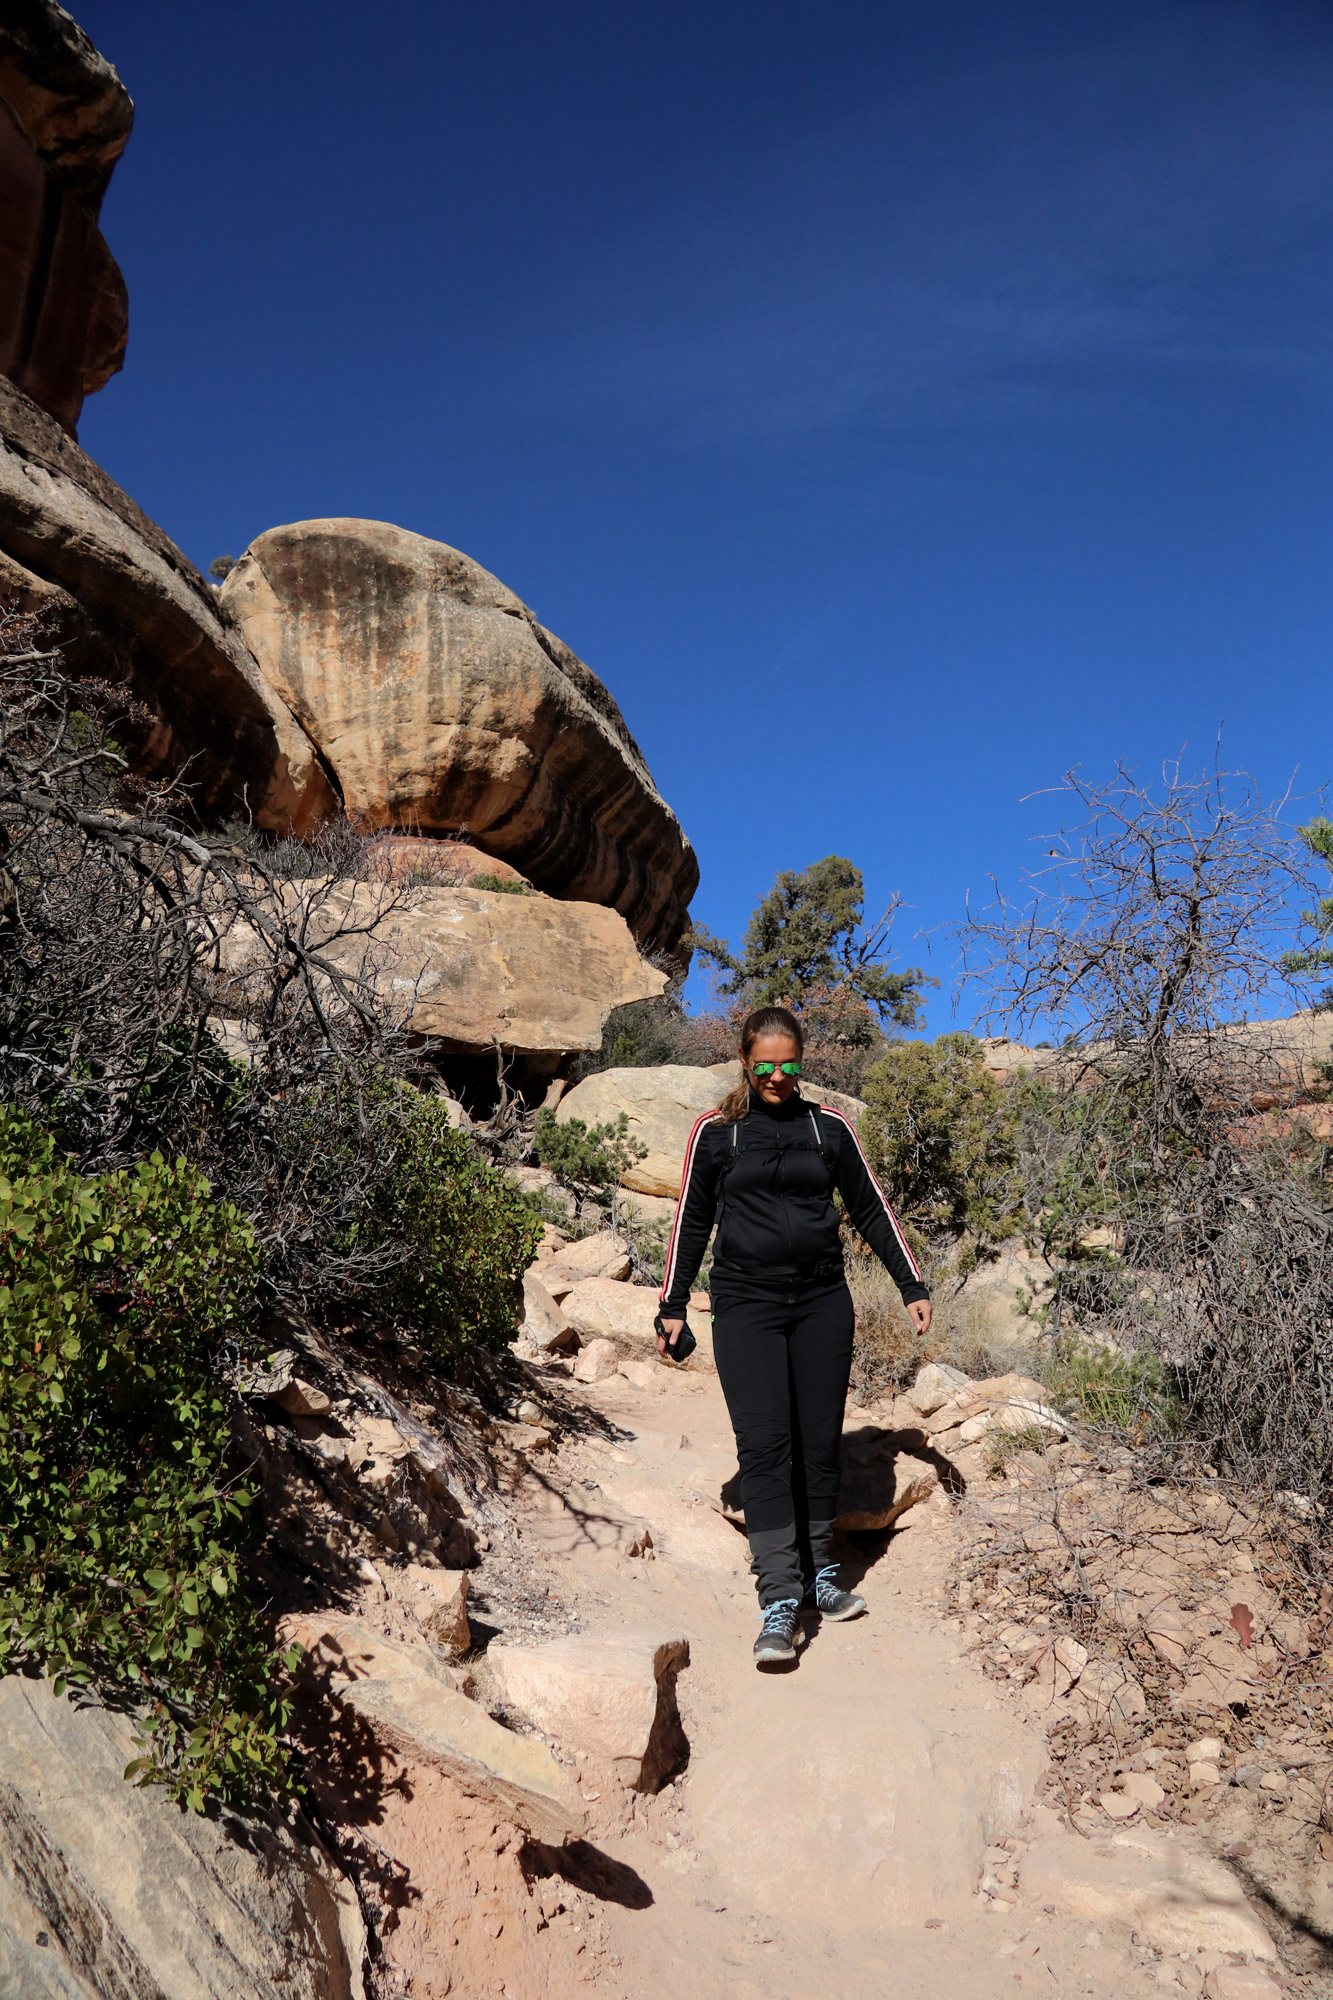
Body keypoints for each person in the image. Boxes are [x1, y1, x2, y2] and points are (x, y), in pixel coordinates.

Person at [656, 1005, 931, 1667]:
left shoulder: (826, 1127)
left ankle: (819, 1576)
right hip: (746, 1301)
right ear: (744, 1062)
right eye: (764, 1066)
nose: (777, 1077)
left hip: (819, 1301)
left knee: (814, 1441)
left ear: (800, 1062)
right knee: (764, 1443)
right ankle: (779, 1597)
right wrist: (671, 1302)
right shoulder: (717, 1132)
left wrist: (911, 1284)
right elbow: (690, 1220)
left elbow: (869, 1206)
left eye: (788, 1065)